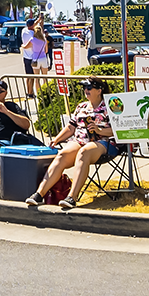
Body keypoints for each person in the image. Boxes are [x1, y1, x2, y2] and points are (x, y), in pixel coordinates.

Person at [26, 78, 118, 210]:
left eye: (89, 88)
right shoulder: (81, 106)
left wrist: (99, 130)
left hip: (103, 142)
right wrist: (57, 139)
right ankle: (39, 194)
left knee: (84, 152)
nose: (86, 90)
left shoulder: (110, 107)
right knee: (62, 155)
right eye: (84, 88)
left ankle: (72, 197)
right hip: (80, 140)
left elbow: (118, 130)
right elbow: (71, 127)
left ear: (99, 90)